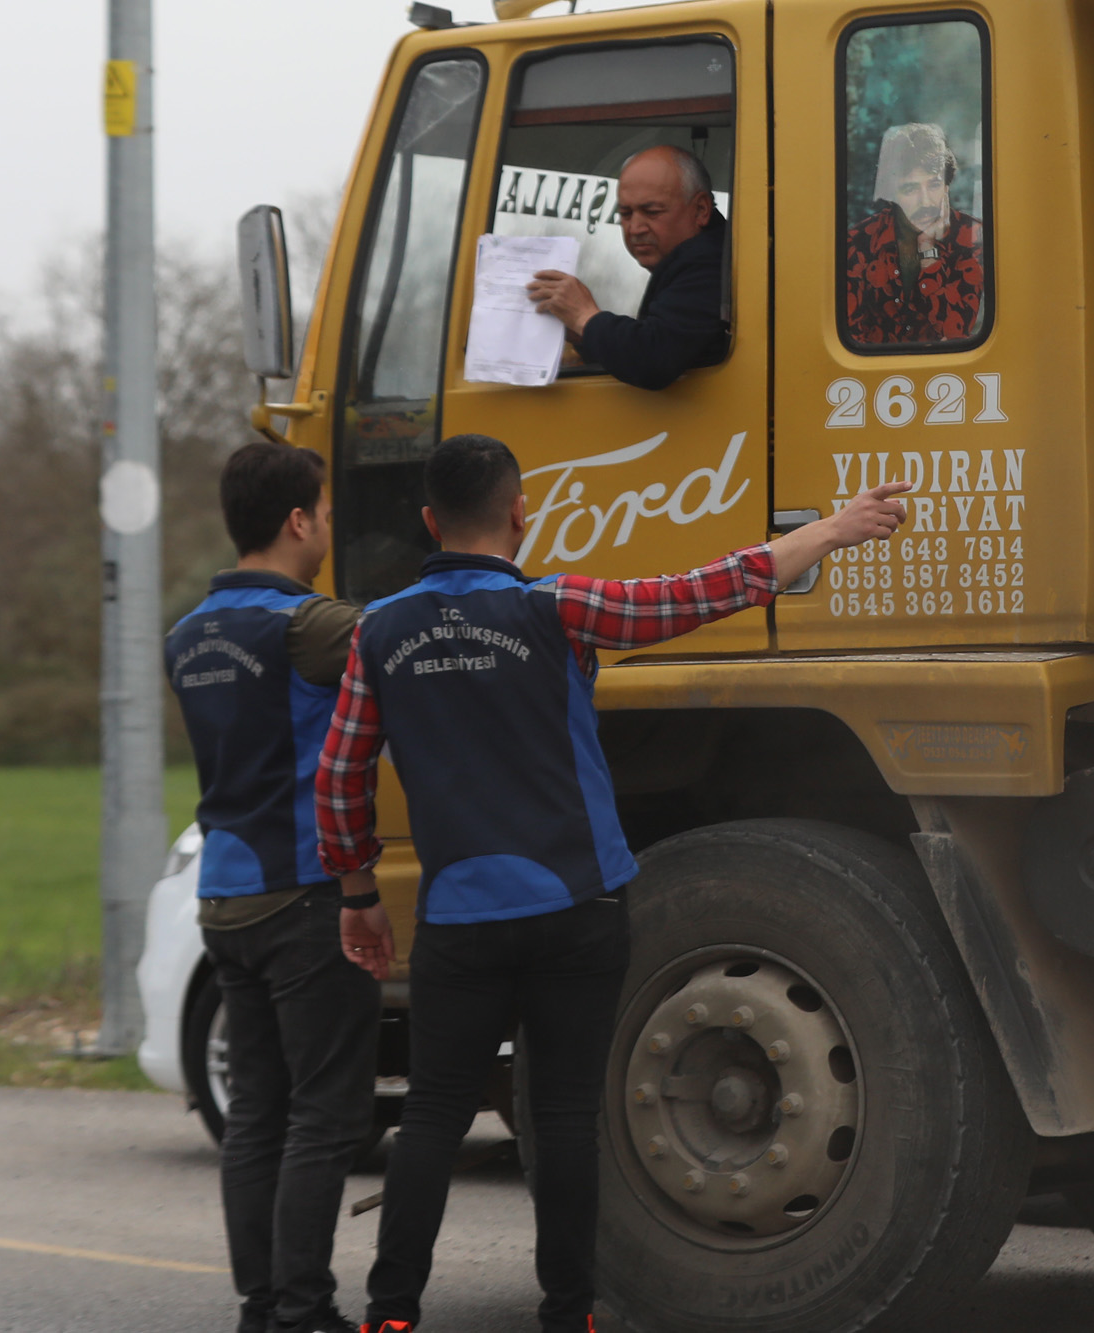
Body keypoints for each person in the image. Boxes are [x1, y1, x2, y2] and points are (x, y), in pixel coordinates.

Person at [315, 434, 908, 1333]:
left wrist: (358, 892)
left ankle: (392, 1313)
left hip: (457, 919)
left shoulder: (379, 631)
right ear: (520, 512)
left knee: (432, 1115)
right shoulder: (556, 607)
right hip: (574, 907)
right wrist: (834, 527)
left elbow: (339, 774)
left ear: (429, 520)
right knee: (560, 1115)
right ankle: (568, 1314)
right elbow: (701, 592)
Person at [164, 442, 377, 1333]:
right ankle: (306, 1309)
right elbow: (404, 637)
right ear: (298, 521)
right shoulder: (309, 627)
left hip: (223, 897)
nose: (327, 526)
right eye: (324, 512)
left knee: (256, 1114)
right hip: (302, 896)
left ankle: (264, 1308)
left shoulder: (186, 635)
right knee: (323, 1117)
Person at [524, 145, 728, 390]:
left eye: (651, 212)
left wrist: (584, 317)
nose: (635, 228)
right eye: (625, 214)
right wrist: (583, 334)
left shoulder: (710, 261)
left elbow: (654, 359)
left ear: (701, 210)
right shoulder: (698, 256)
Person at [841, 121, 986, 346]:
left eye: (934, 185)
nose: (926, 201)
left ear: (947, 186)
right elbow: (850, 338)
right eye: (910, 189)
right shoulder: (859, 241)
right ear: (892, 192)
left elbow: (956, 334)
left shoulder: (972, 236)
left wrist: (928, 249)